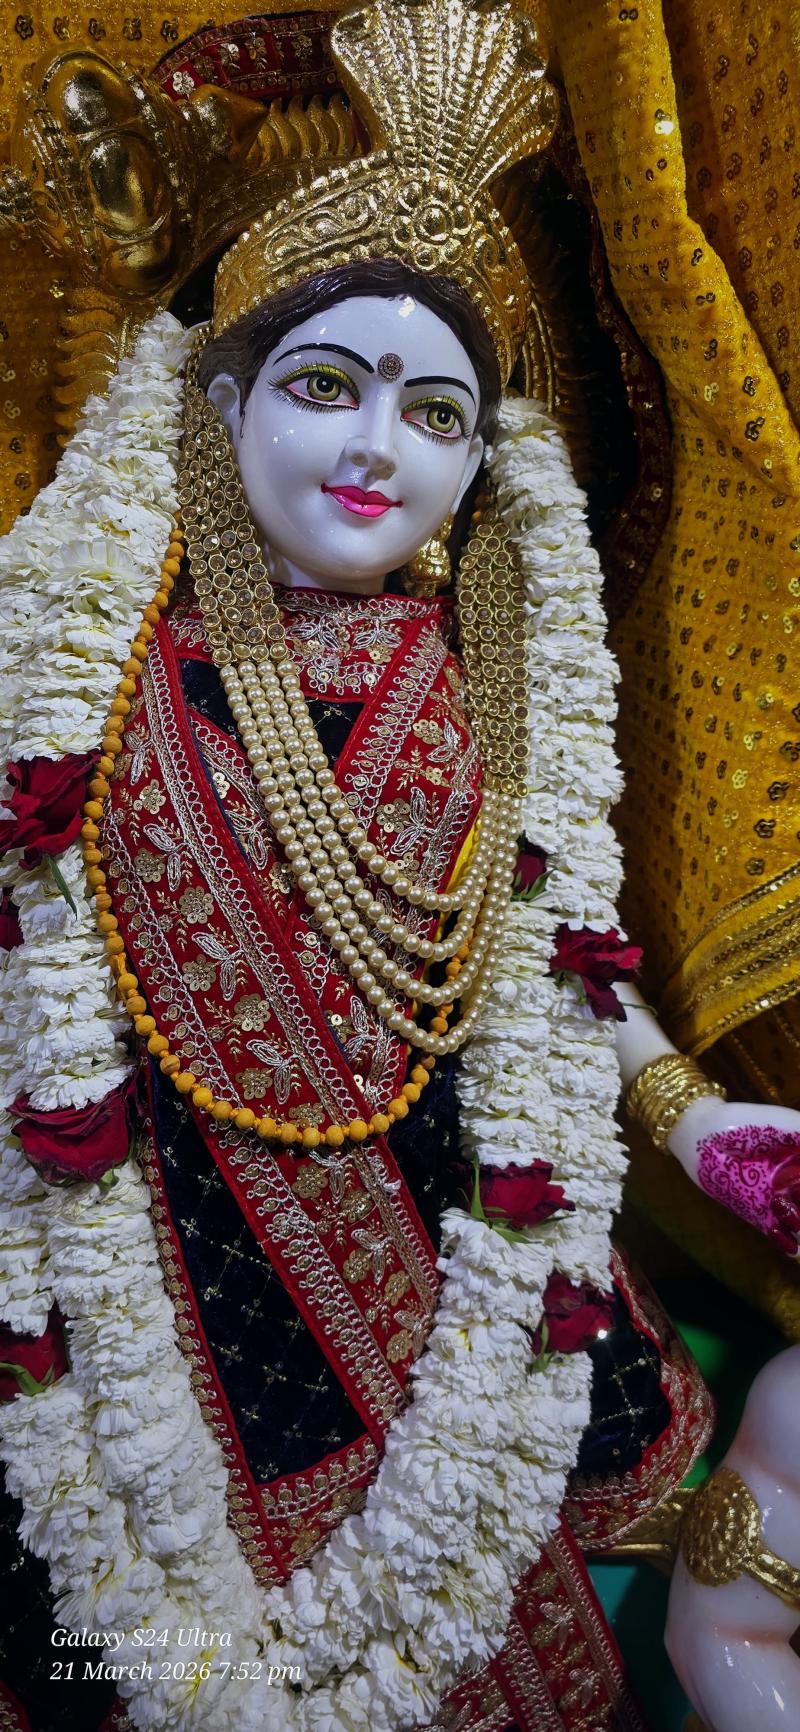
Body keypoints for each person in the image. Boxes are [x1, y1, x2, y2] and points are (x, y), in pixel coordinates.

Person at [0, 4, 798, 1730]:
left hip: (441, 1290)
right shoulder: (83, 664)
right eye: (324, 386)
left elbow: (556, 954)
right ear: (220, 402)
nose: (377, 447)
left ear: (484, 455)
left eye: (436, 410)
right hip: (160, 1285)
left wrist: (686, 1118)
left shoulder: (497, 677)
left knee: (469, 1633)